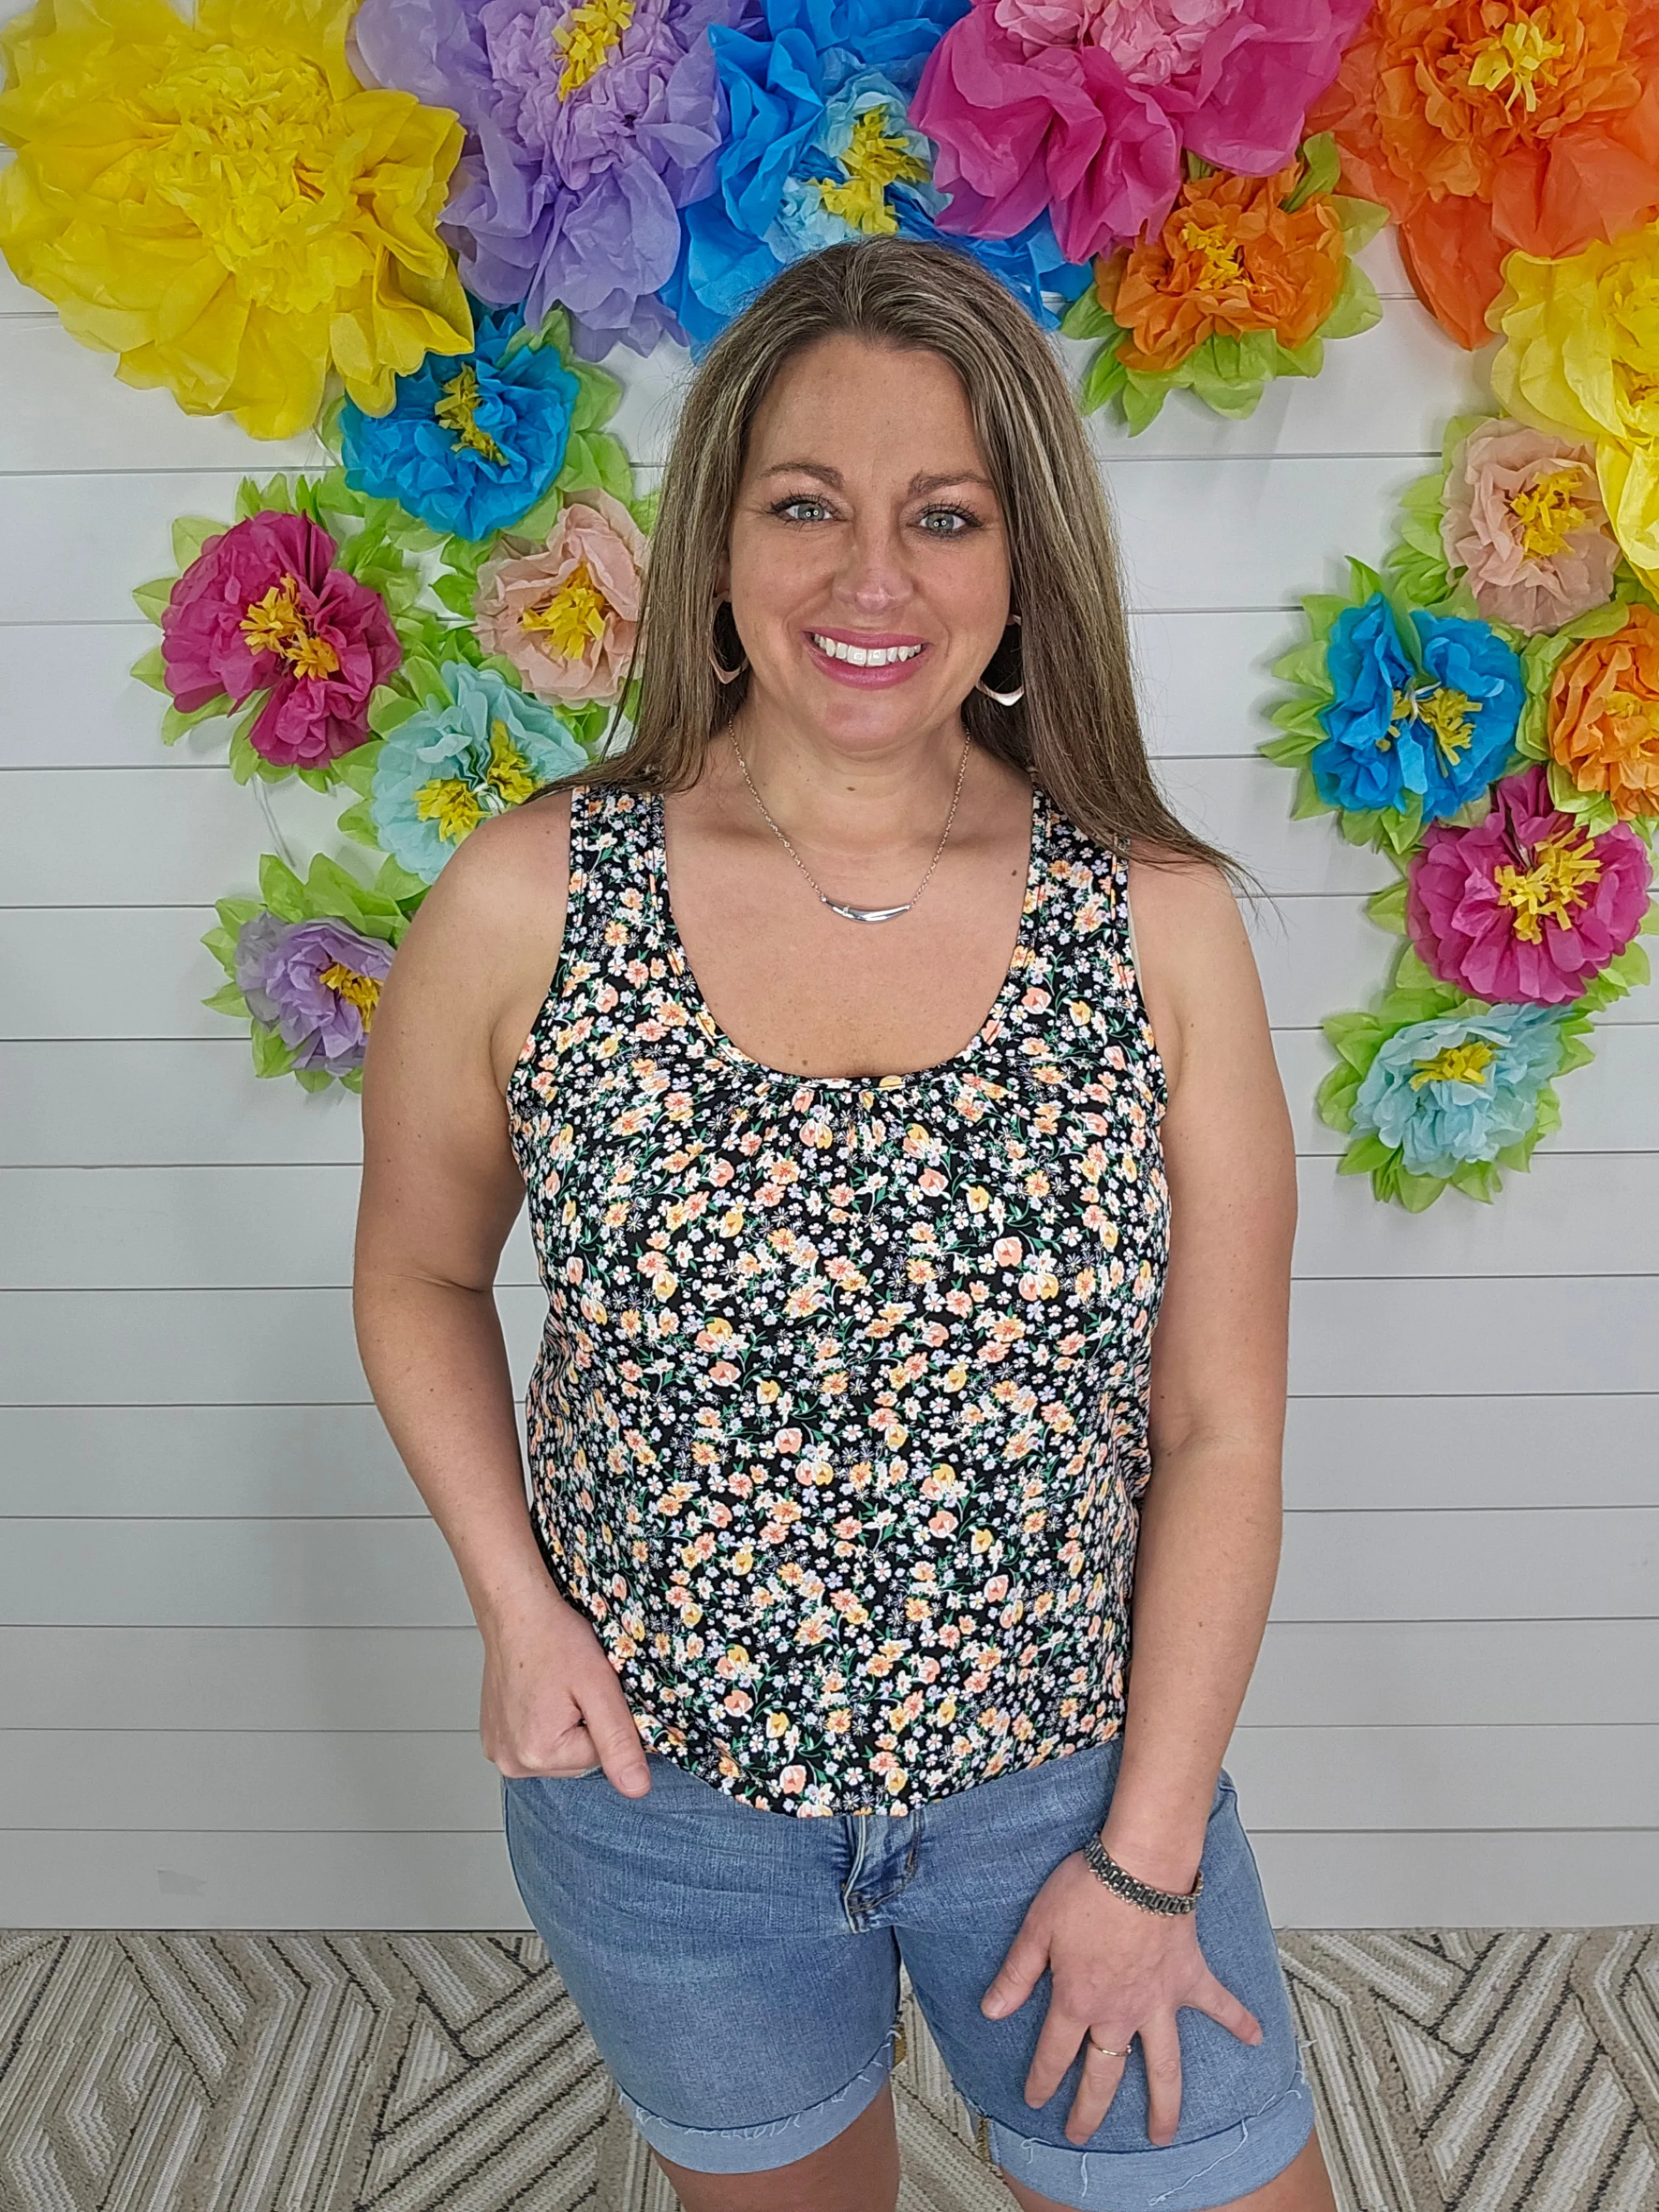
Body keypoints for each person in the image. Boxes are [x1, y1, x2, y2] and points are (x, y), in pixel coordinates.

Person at [353, 236, 1336, 2212]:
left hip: (1067, 1782)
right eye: (806, 505)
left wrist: (1146, 1862)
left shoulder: (1156, 919)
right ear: (718, 537)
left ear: (1020, 559)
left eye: (942, 516)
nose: (870, 581)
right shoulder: (525, 900)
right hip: (661, 1807)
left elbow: (1219, 1424)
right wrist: (513, 1609)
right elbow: (420, 1272)